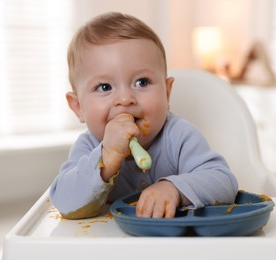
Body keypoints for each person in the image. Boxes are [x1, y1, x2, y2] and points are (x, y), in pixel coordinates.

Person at [50, 12, 238, 220]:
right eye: (105, 87)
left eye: (142, 82)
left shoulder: (179, 136)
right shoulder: (88, 146)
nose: (125, 99)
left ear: (167, 93)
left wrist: (175, 189)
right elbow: (64, 201)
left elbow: (224, 182)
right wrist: (106, 158)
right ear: (78, 107)